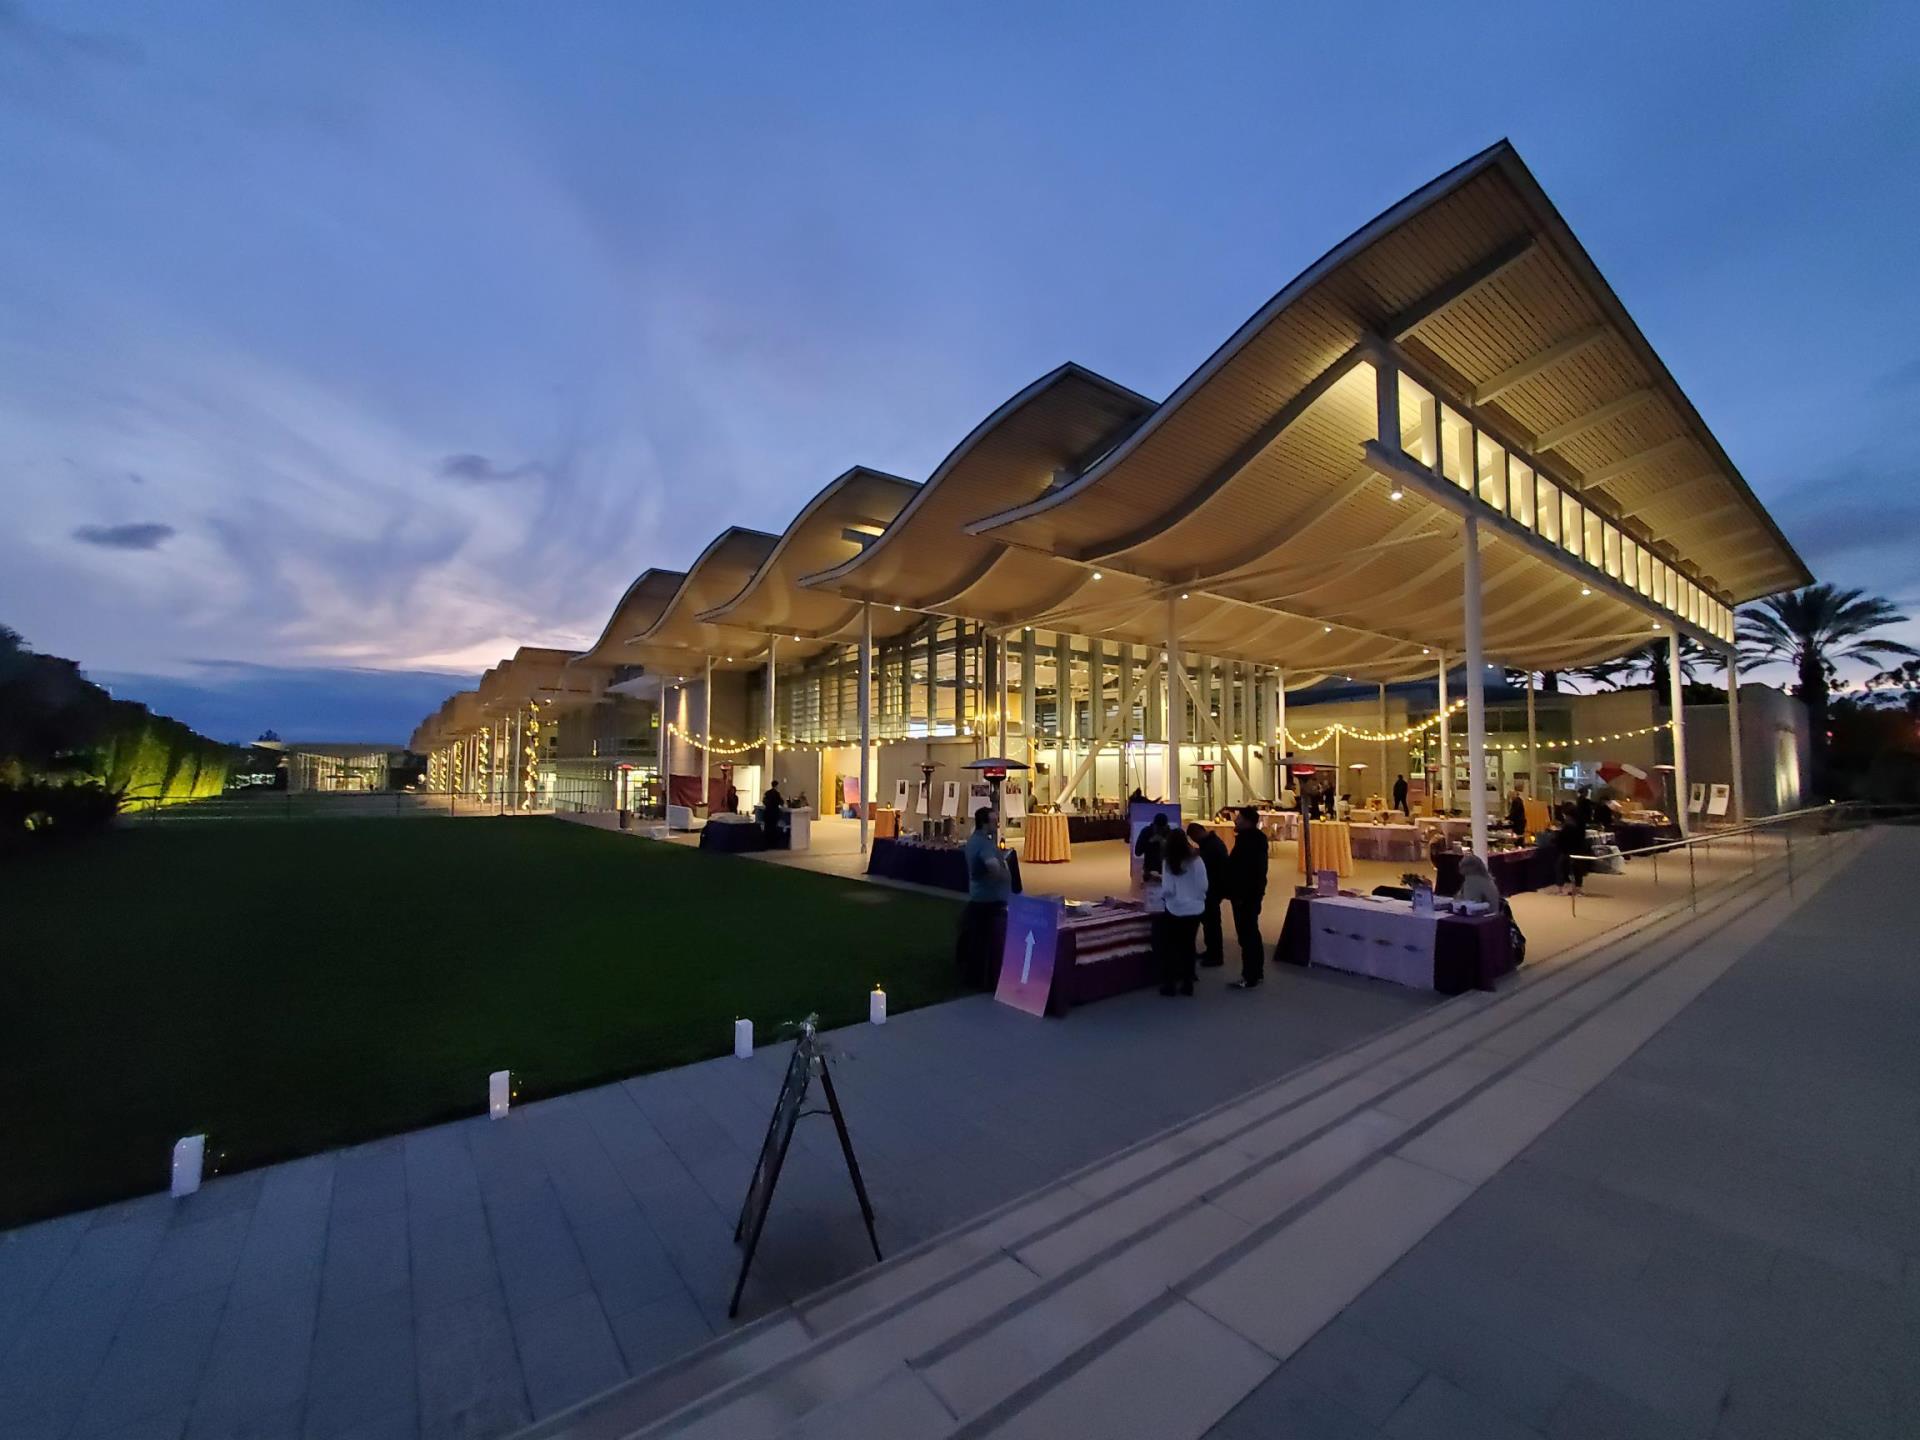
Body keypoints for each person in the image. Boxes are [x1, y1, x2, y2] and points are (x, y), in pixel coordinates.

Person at [956, 806, 1012, 989]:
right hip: (991, 900)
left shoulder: (974, 841)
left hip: (980, 897)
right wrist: (1006, 874)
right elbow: (993, 867)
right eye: (994, 821)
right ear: (985, 823)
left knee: (976, 939)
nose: (997, 824)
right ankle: (985, 977)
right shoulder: (984, 845)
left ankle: (973, 974)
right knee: (987, 942)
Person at [1156, 827, 1206, 996]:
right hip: (1195, 909)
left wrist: (1163, 897)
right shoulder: (1197, 861)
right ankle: (1188, 983)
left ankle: (1169, 984)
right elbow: (1204, 885)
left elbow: (1168, 890)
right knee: (1189, 946)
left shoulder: (1168, 862)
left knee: (1170, 947)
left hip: (1175, 909)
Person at [1225, 806, 1270, 989]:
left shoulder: (1248, 842)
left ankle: (1250, 975)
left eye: (1239, 818)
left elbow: (1244, 869)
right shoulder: (1255, 839)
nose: (1235, 821)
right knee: (1251, 932)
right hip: (1252, 892)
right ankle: (1256, 972)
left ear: (1248, 821)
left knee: (1247, 934)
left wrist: (1238, 891)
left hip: (1245, 893)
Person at [1186, 822, 1230, 968]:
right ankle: (1211, 951)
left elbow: (1205, 866)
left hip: (1212, 889)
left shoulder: (1211, 846)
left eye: (1193, 837)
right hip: (1213, 889)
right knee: (1210, 923)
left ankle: (1215, 955)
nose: (1194, 840)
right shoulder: (1212, 843)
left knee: (1212, 924)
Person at [1134, 812, 1171, 881]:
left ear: (1166, 826)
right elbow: (1137, 852)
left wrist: (1163, 843)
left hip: (1166, 870)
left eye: (1162, 829)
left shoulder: (1170, 833)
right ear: (1153, 825)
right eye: (1158, 828)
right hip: (1149, 870)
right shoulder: (1146, 832)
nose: (1160, 831)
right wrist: (1149, 842)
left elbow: (1175, 855)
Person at [760, 782, 786, 847]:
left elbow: (764, 801)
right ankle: (773, 844)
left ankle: (766, 843)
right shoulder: (777, 794)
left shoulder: (767, 793)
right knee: (773, 828)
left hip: (767, 813)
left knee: (767, 828)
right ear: (777, 786)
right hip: (774, 813)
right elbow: (781, 802)